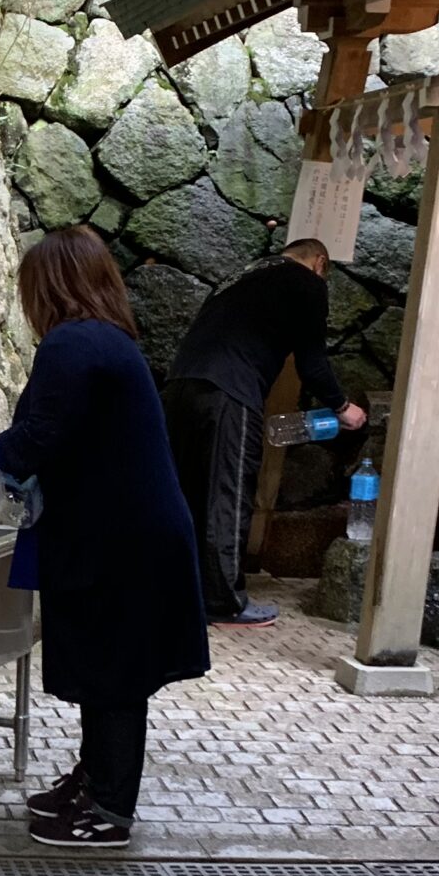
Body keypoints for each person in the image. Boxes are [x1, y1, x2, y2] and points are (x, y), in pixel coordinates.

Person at [0, 227, 208, 849]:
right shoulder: (106, 342)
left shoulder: (71, 344)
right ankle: (95, 781)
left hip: (120, 544)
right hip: (128, 536)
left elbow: (37, 439)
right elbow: (69, 450)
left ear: (51, 288)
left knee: (114, 672)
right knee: (107, 667)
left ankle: (110, 810)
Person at [160, 237, 366, 626]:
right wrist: (342, 407)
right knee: (229, 492)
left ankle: (174, 590)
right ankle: (224, 602)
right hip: (229, 392)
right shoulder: (307, 283)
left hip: (179, 387)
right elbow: (312, 361)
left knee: (184, 491)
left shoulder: (242, 276)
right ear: (319, 262)